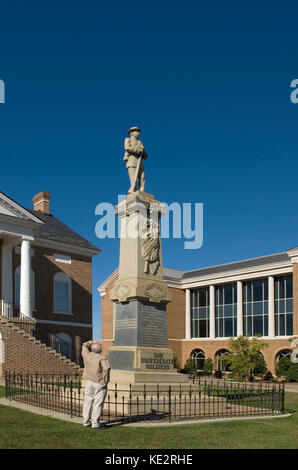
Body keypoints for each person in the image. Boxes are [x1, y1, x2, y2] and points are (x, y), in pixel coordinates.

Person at [81, 340, 110, 429]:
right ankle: (95, 424)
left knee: (87, 402)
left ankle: (85, 422)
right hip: (98, 383)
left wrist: (91, 342)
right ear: (100, 350)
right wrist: (104, 381)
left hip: (89, 381)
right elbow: (106, 369)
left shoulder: (87, 355)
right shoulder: (102, 358)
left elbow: (84, 345)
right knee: (97, 404)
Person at [123, 126, 148, 193]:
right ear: (132, 133)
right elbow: (127, 148)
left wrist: (142, 151)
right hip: (131, 160)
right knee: (133, 179)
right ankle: (133, 190)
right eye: (136, 131)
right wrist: (138, 150)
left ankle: (141, 191)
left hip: (139, 161)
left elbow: (145, 156)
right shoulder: (128, 139)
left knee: (142, 177)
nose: (138, 133)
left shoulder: (140, 142)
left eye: (138, 131)